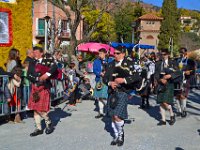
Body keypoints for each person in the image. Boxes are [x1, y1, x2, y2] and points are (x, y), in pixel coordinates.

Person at [103, 46, 141, 146]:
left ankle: (120, 134)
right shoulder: (110, 64)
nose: (115, 55)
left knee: (117, 115)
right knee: (112, 115)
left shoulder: (130, 63)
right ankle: (116, 136)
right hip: (112, 92)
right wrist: (109, 83)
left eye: (117, 53)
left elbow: (137, 76)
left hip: (123, 92)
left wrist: (124, 80)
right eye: (114, 53)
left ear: (123, 54)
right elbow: (105, 78)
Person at [27, 46, 58, 136]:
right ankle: (39, 128)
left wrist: (46, 75)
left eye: (36, 52)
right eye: (34, 52)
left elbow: (54, 67)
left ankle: (48, 123)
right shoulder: (32, 62)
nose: (34, 54)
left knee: (41, 108)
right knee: (35, 109)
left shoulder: (47, 60)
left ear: (41, 53)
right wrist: (37, 78)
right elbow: (29, 75)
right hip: (35, 86)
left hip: (44, 87)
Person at [155, 49, 181, 126]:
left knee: (165, 101)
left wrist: (170, 75)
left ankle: (172, 115)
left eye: (164, 54)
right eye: (161, 54)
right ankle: (163, 120)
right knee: (161, 101)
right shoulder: (158, 63)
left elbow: (178, 72)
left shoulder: (173, 62)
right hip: (161, 83)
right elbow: (156, 74)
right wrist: (160, 79)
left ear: (168, 54)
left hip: (169, 83)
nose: (163, 56)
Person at [175, 47, 196, 117]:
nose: (182, 54)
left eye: (183, 52)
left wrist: (189, 72)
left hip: (186, 79)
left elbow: (193, 70)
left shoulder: (190, 61)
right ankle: (179, 110)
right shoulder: (177, 60)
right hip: (177, 79)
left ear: (186, 52)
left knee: (183, 95)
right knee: (177, 95)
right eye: (180, 52)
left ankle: (184, 109)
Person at [93, 48, 113, 119]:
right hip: (99, 80)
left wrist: (107, 73)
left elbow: (113, 69)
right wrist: (100, 73)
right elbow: (94, 70)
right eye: (99, 53)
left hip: (107, 80)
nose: (99, 55)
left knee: (106, 96)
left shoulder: (110, 60)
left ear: (105, 53)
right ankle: (101, 112)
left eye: (101, 53)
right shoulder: (96, 61)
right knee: (99, 96)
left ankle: (108, 111)